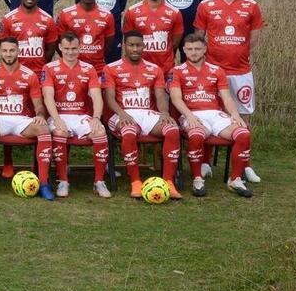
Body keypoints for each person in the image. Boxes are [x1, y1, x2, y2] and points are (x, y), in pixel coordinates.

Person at [192, 0, 264, 183]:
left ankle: (244, 165)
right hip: (213, 71)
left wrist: (241, 53)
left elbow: (255, 35)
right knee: (209, 114)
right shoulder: (206, 5)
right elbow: (199, 35)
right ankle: (205, 162)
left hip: (241, 71)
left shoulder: (251, 6)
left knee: (242, 117)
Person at [169, 34, 254, 197]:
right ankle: (197, 179)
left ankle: (235, 180)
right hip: (192, 113)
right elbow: (175, 98)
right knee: (196, 135)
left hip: (215, 114)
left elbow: (227, 97)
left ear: (204, 50)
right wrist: (189, 116)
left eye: (197, 49)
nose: (194, 52)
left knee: (243, 134)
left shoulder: (217, 71)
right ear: (184, 50)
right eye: (190, 49)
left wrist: (235, 114)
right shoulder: (177, 71)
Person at [103, 31, 182, 199]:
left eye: (138, 45)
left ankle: (169, 181)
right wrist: (122, 114)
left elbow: (160, 97)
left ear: (144, 46)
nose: (135, 49)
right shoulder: (111, 68)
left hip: (147, 114)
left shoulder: (155, 69)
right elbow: (109, 97)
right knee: (129, 131)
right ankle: (136, 181)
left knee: (173, 129)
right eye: (131, 45)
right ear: (124, 46)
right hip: (120, 114)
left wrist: (165, 112)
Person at [0, 37, 55, 200]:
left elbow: (38, 105)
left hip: (22, 120)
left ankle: (43, 183)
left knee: (43, 128)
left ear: (18, 51)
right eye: (5, 50)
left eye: (12, 50)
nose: (8, 54)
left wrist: (40, 115)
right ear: (0, 51)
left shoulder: (30, 75)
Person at [42, 33, 109, 198]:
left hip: (80, 116)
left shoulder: (89, 69)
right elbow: (48, 96)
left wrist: (96, 118)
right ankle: (63, 180)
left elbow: (97, 97)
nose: (70, 52)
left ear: (80, 48)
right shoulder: (49, 68)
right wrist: (57, 119)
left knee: (99, 131)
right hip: (59, 114)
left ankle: (99, 181)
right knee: (59, 132)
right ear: (60, 48)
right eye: (66, 49)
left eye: (73, 48)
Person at [122, 0, 184, 77]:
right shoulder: (132, 11)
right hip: (140, 68)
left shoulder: (175, 12)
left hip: (165, 68)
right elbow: (128, 41)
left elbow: (174, 43)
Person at [0, 0, 59, 78]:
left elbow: (50, 49)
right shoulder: (8, 19)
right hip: (15, 74)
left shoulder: (48, 19)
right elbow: (4, 47)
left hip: (38, 74)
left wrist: (40, 64)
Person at [56, 0, 115, 74]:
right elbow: (59, 41)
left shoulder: (107, 15)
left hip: (97, 68)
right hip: (72, 66)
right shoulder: (66, 14)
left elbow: (109, 43)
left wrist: (96, 55)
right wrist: (69, 57)